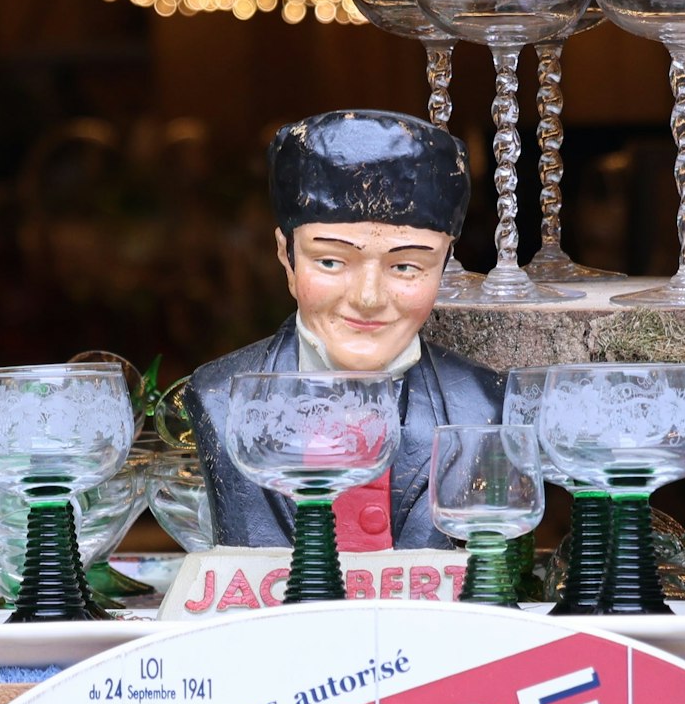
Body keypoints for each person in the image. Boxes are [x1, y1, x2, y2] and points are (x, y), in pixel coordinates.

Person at [183, 110, 503, 551]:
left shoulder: (483, 402)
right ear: (287, 259)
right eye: (331, 261)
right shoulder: (219, 395)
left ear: (443, 268)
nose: (368, 298)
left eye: (406, 266)